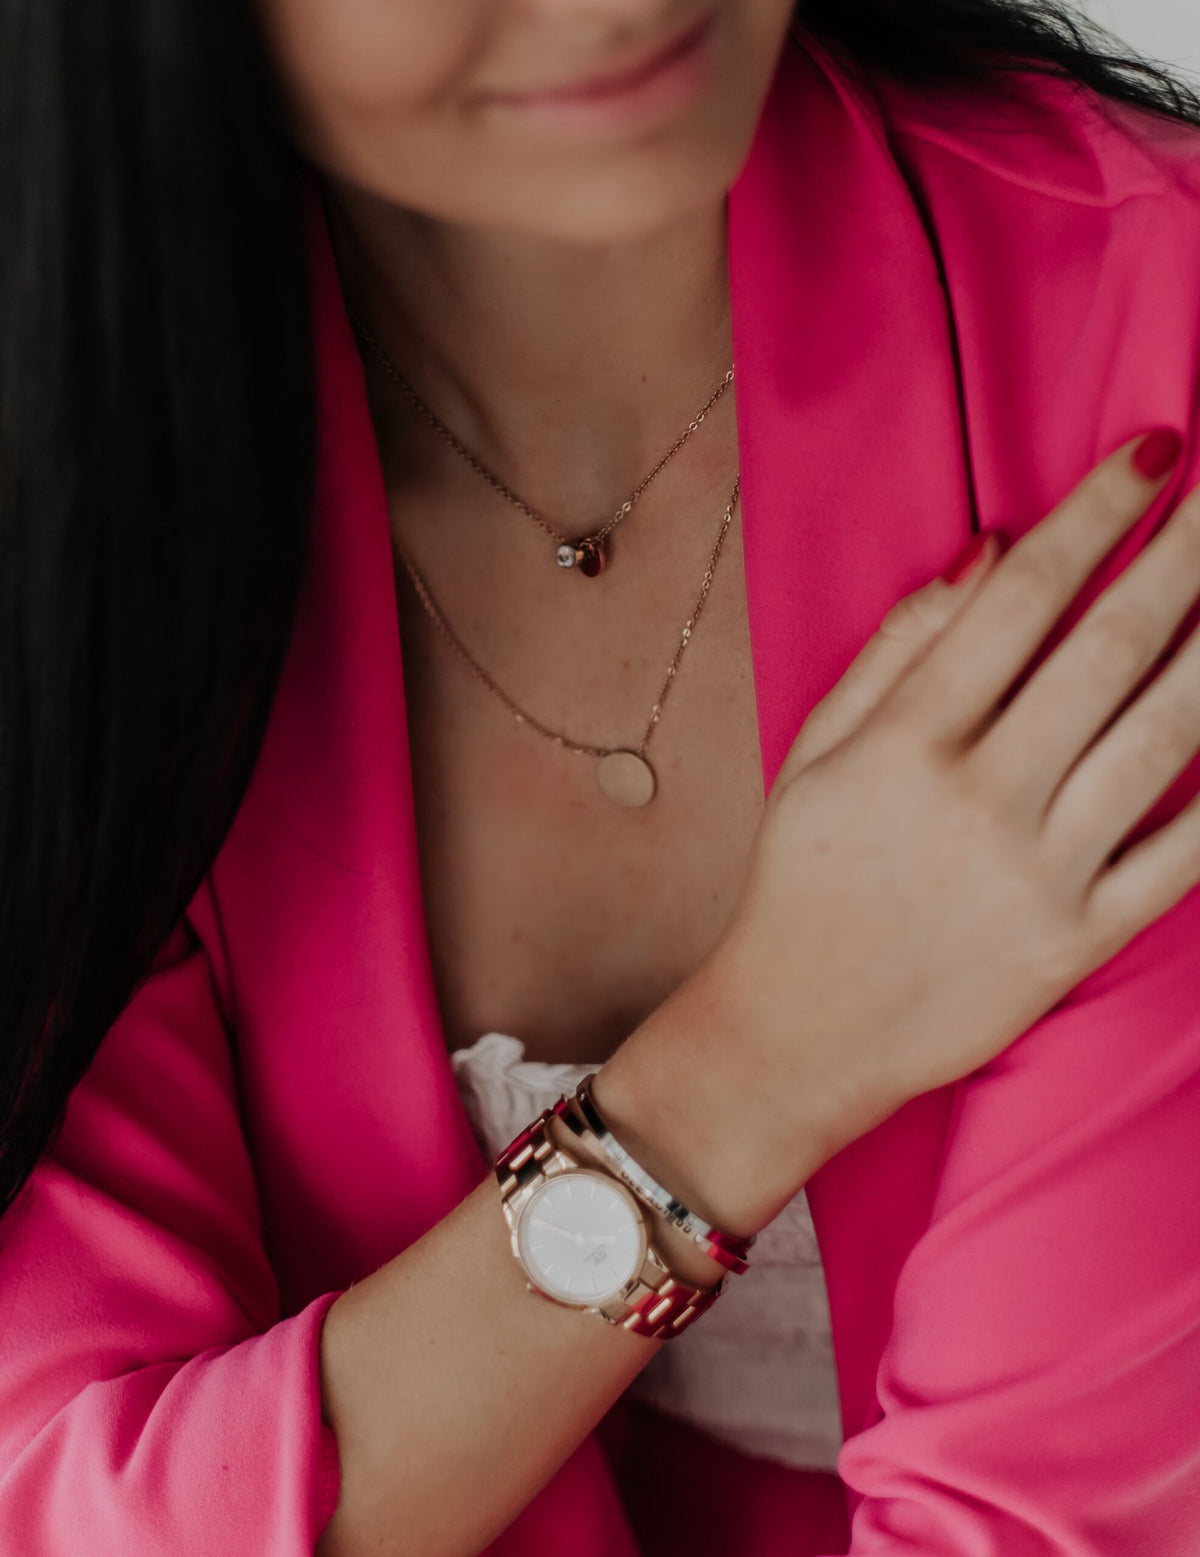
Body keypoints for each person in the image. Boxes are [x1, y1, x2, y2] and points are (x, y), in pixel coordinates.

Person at [4, 2, 1200, 1554]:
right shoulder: (64, 485)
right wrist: (756, 1060)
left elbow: (1041, 1526)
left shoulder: (1137, 349)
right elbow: (80, 1500)